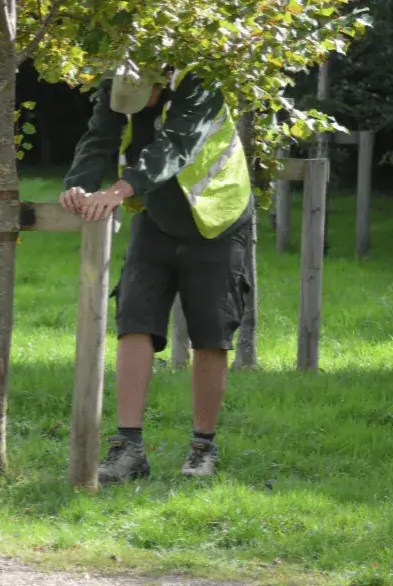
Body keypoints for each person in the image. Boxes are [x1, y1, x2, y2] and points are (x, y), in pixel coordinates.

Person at [59, 62, 254, 484]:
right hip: (156, 217)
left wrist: (117, 190)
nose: (136, 107)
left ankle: (203, 448)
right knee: (135, 321)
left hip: (217, 219)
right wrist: (78, 184)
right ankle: (128, 449)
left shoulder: (200, 81)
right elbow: (100, 138)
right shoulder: (118, 81)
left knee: (211, 334)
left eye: (144, 97)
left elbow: (176, 147)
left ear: (161, 78)